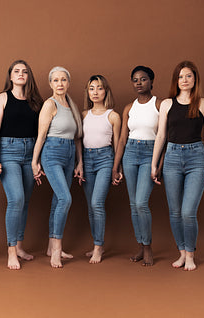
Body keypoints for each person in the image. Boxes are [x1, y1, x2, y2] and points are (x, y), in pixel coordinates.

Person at [151, 61, 204, 271]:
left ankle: (190, 254)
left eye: (188, 76)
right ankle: (181, 252)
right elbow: (161, 135)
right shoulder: (168, 104)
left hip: (196, 157)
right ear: (176, 80)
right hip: (172, 157)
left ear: (195, 79)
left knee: (188, 211)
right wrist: (154, 163)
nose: (184, 80)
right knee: (175, 211)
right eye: (180, 76)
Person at [0, 60, 43, 270]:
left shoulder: (35, 101)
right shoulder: (2, 98)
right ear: (10, 76)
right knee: (16, 199)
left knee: (25, 201)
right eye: (16, 71)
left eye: (25, 71)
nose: (21, 74)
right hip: (8, 151)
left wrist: (38, 161)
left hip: (30, 153)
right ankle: (11, 251)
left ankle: (19, 246)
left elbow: (41, 133)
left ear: (29, 76)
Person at [31, 66, 84, 268]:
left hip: (69, 153)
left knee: (57, 200)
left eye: (63, 80)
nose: (60, 84)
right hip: (52, 153)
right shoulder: (49, 105)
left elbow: (77, 137)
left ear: (68, 83)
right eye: (56, 80)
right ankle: (57, 249)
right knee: (65, 198)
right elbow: (41, 136)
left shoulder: (72, 106)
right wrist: (35, 162)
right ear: (50, 83)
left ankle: (50, 245)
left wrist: (80, 162)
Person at [113, 66, 161, 266]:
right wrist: (116, 167)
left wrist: (159, 162)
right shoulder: (128, 108)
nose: (139, 83)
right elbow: (123, 139)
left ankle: (148, 246)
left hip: (151, 153)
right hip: (130, 153)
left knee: (141, 202)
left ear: (151, 81)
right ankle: (140, 246)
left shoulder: (160, 104)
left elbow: (164, 137)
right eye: (135, 80)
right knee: (134, 205)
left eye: (143, 79)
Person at [81, 75, 121, 264]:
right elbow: (78, 142)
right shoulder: (83, 115)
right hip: (87, 160)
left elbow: (117, 144)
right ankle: (97, 244)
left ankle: (98, 245)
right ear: (88, 92)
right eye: (92, 88)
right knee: (91, 206)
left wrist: (116, 168)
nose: (95, 92)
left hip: (105, 159)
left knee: (97, 202)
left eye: (99, 88)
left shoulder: (113, 115)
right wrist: (79, 164)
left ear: (106, 91)